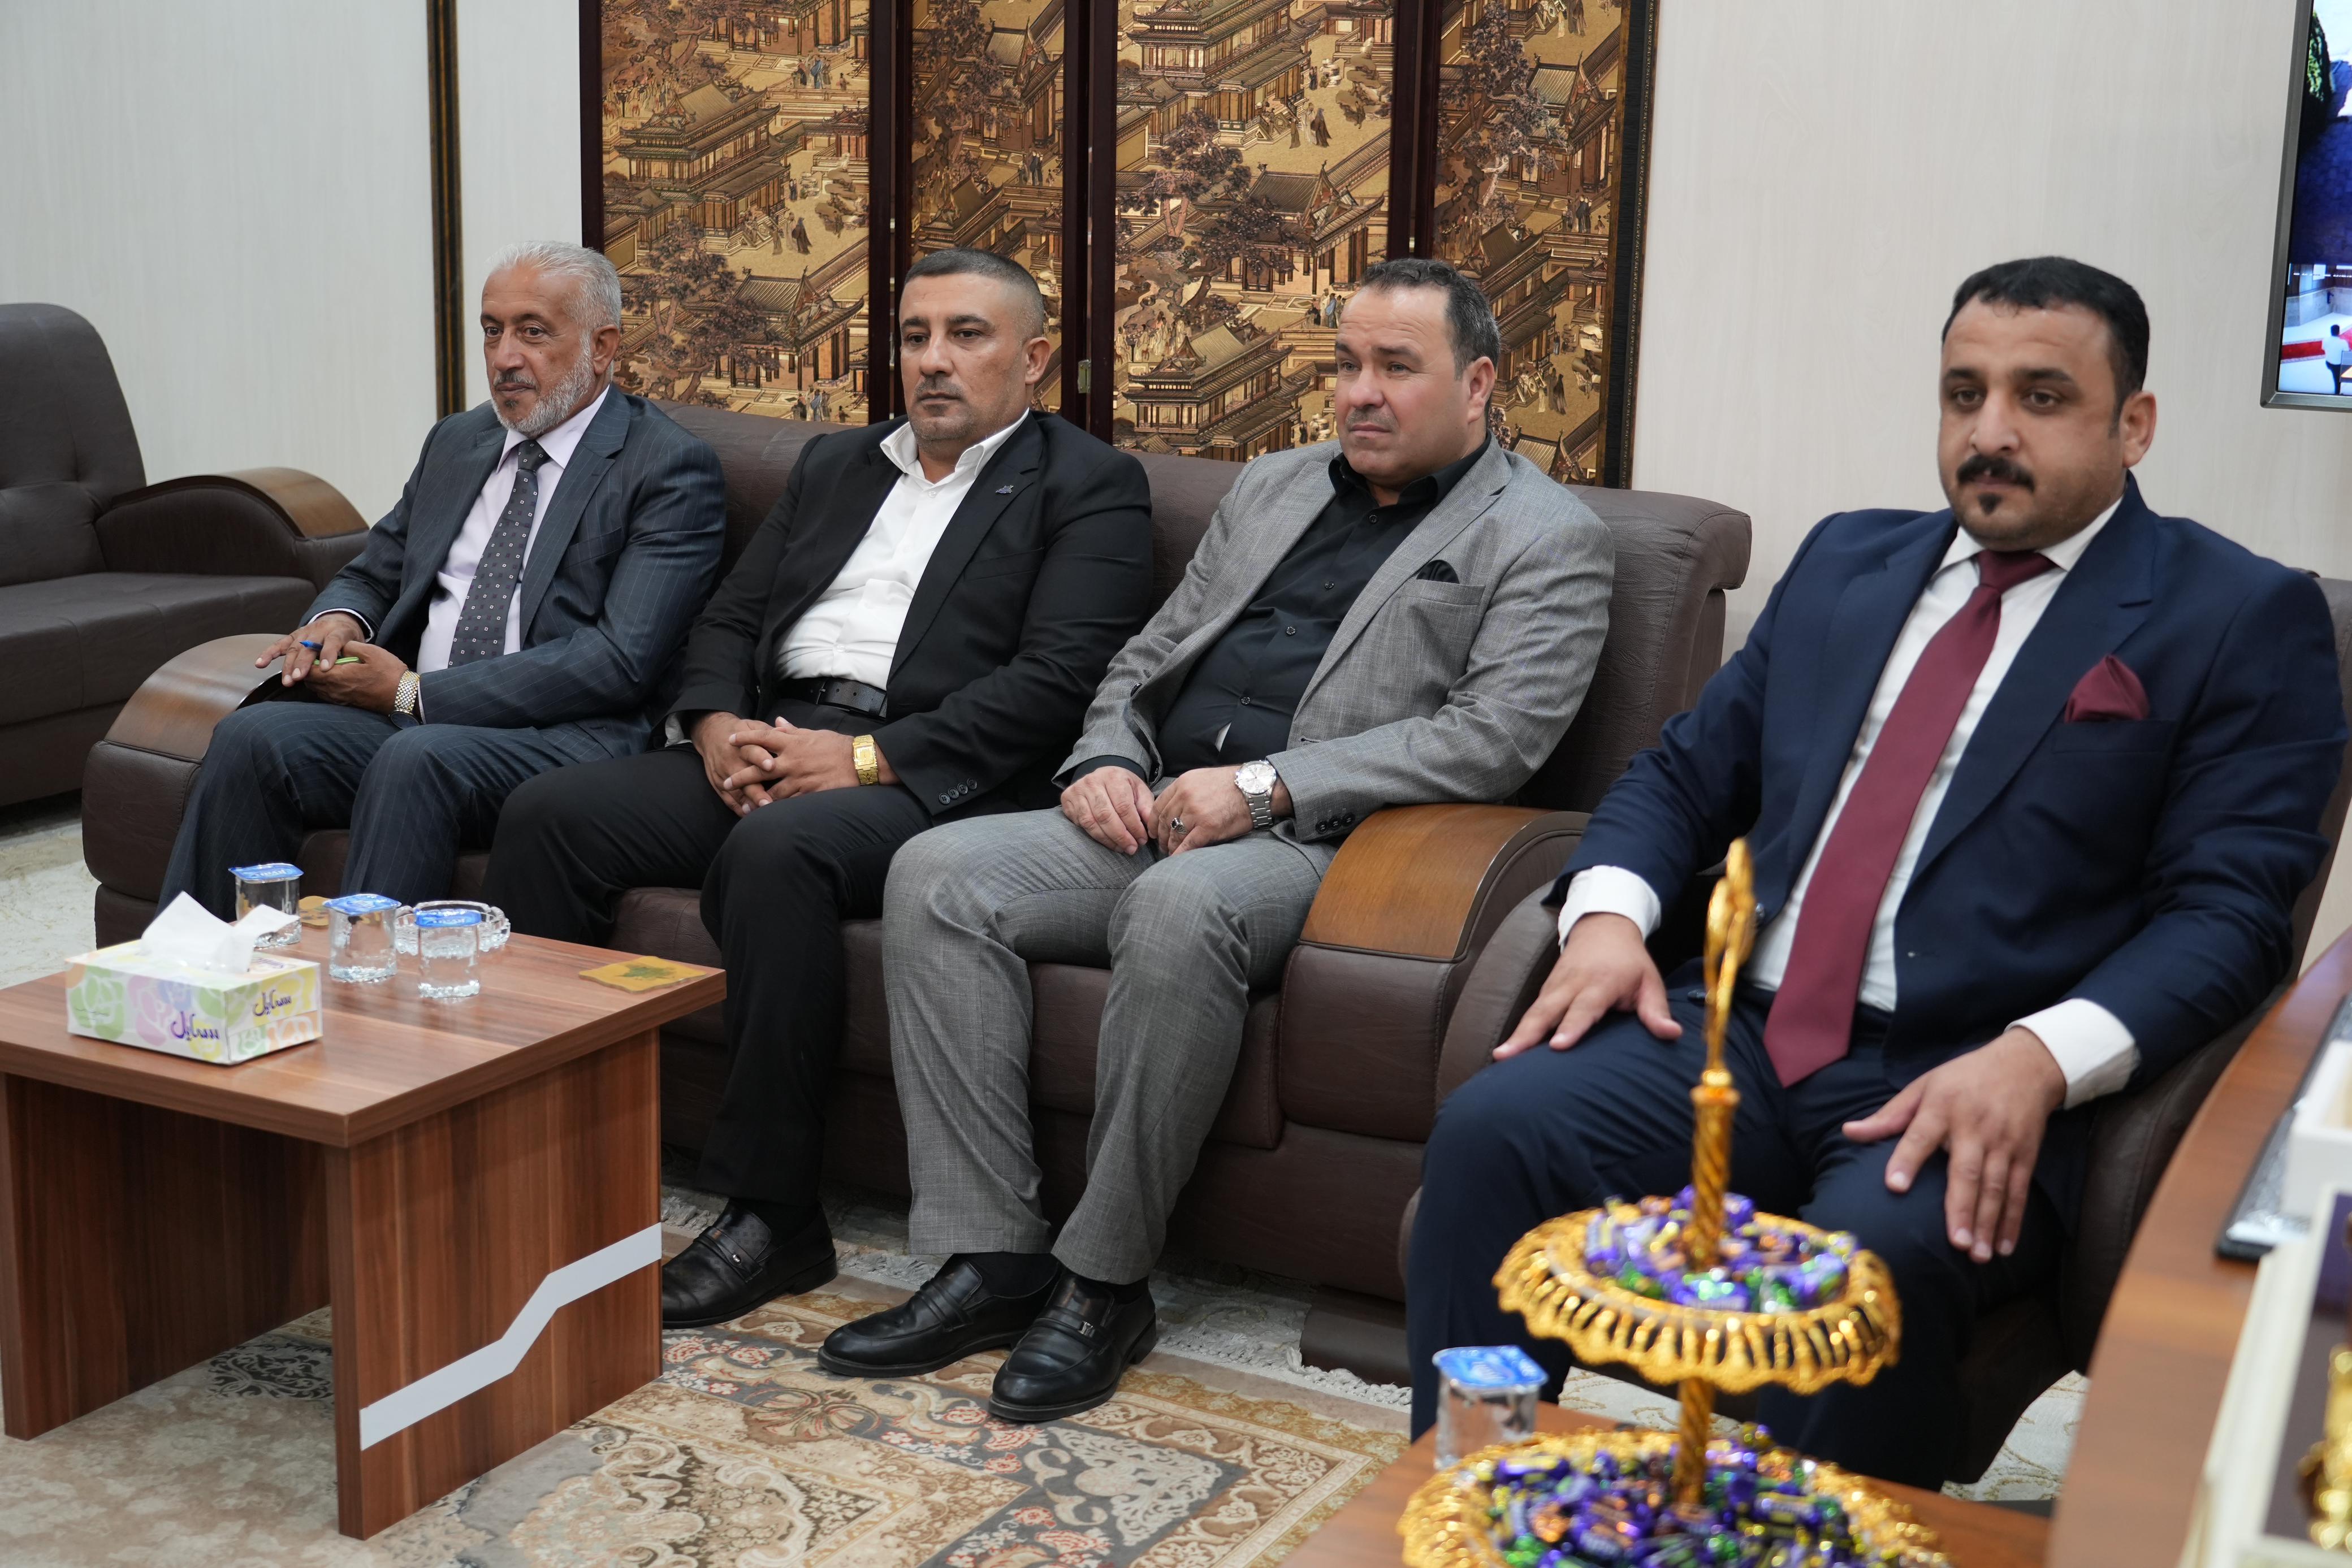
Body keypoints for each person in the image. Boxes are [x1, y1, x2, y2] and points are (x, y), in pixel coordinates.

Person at [1406, 256, 2348, 1488]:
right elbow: (1683, 775)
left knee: (1861, 1267)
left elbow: (2230, 916)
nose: (1990, 431)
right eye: (1963, 394)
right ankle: (1475, 1495)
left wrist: (2038, 1058)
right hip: (1740, 1035)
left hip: (1972, 1072)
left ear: (2135, 425)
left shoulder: (2237, 616)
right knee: (1494, 1133)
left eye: (2041, 397)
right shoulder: (1850, 561)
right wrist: (1608, 919)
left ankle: (1816, 1538)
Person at [820, 256, 1615, 1423]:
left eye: (1398, 367)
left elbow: (1492, 738)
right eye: (1347, 364)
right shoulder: (1277, 484)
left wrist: (1265, 786)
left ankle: (1102, 1283)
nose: (1361, 392)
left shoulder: (1548, 535)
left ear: (1480, 382)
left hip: (1336, 848)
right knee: (937, 872)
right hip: (1156, 804)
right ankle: (990, 1257)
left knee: (1177, 905)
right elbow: (1148, 655)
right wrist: (1103, 756)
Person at [484, 249, 1156, 1329]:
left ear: (1035, 359)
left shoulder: (1092, 485)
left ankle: (773, 1214)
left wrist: (862, 760)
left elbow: (1056, 682)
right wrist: (716, 727)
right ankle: (540, 1150)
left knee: (776, 851)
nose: (932, 360)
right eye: (915, 335)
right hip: (780, 734)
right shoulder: (838, 464)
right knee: (552, 816)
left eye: (967, 336)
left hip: (934, 773)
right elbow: (730, 618)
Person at [158, 241, 726, 916]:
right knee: (253, 737)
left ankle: (371, 979)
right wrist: (337, 619)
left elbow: (619, 660)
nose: (504, 357)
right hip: (414, 721)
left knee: (417, 758)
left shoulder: (665, 467)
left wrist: (413, 692)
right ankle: (193, 962)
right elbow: (377, 568)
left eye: (532, 332)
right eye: (491, 330)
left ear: (601, 347)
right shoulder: (458, 442)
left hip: (561, 739)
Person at [2327, 322, 2350, 395]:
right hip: (2337, 365)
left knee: (2336, 377)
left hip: (2329, 363)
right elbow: (2347, 354)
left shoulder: (2326, 341)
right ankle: (2337, 393)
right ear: (2339, 332)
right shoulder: (2343, 343)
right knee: (2337, 379)